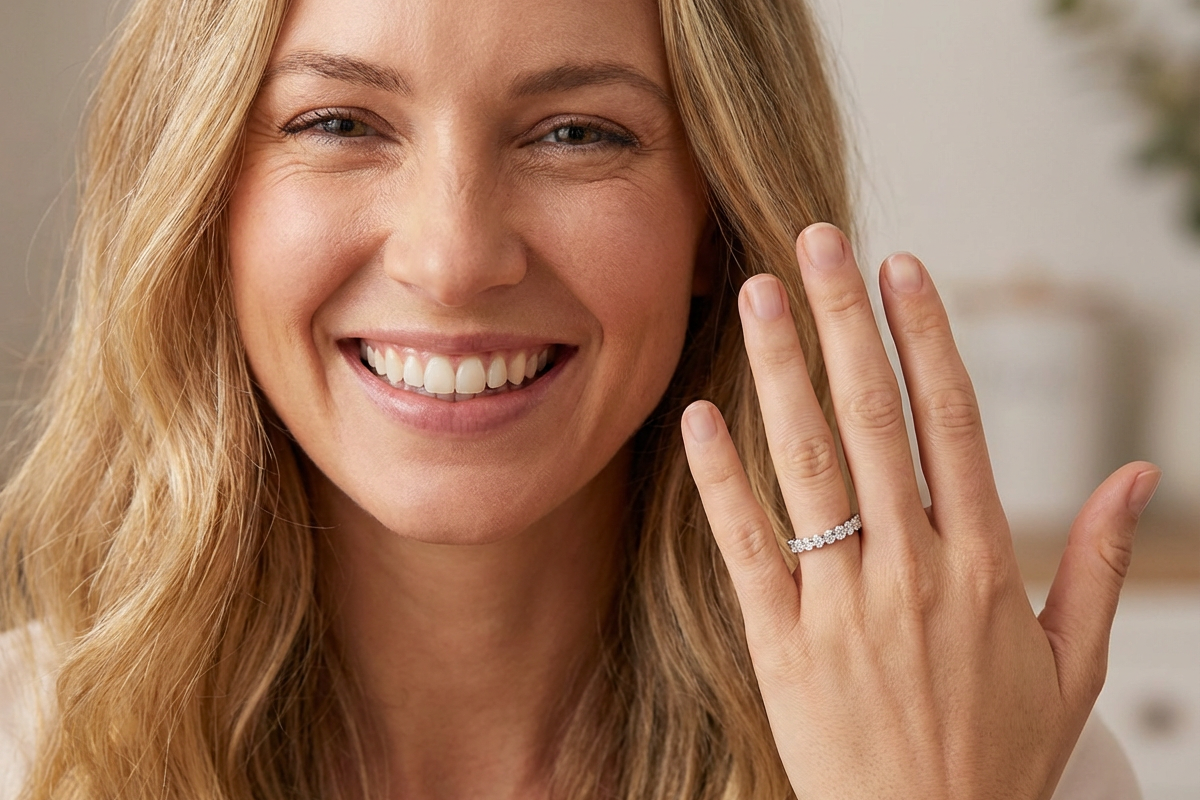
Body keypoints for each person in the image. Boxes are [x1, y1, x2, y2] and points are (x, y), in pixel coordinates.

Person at [0, 0, 1158, 797]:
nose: (453, 259)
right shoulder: (23, 746)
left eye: (576, 132)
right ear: (203, 198)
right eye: (339, 123)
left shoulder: (973, 736)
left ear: (717, 217)